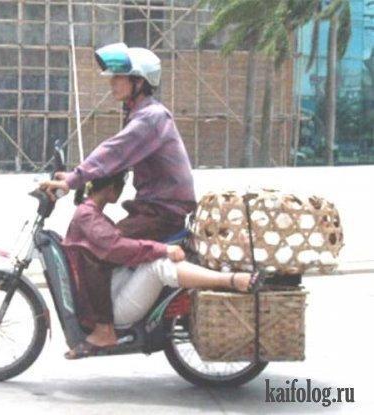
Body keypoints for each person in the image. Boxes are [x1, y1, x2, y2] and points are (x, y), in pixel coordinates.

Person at [61, 172, 264, 360]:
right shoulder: (87, 215)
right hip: (111, 308)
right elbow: (116, 246)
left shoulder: (89, 212)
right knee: (158, 265)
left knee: (153, 259)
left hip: (108, 292)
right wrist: (163, 249)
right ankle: (231, 280)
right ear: (111, 188)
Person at [41, 42, 196, 241]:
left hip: (162, 215)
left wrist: (72, 179)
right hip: (151, 210)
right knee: (98, 238)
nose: (112, 82)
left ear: (139, 82)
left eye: (119, 77)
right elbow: (115, 159)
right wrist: (79, 178)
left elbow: (115, 151)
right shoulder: (141, 114)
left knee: (100, 244)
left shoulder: (151, 117)